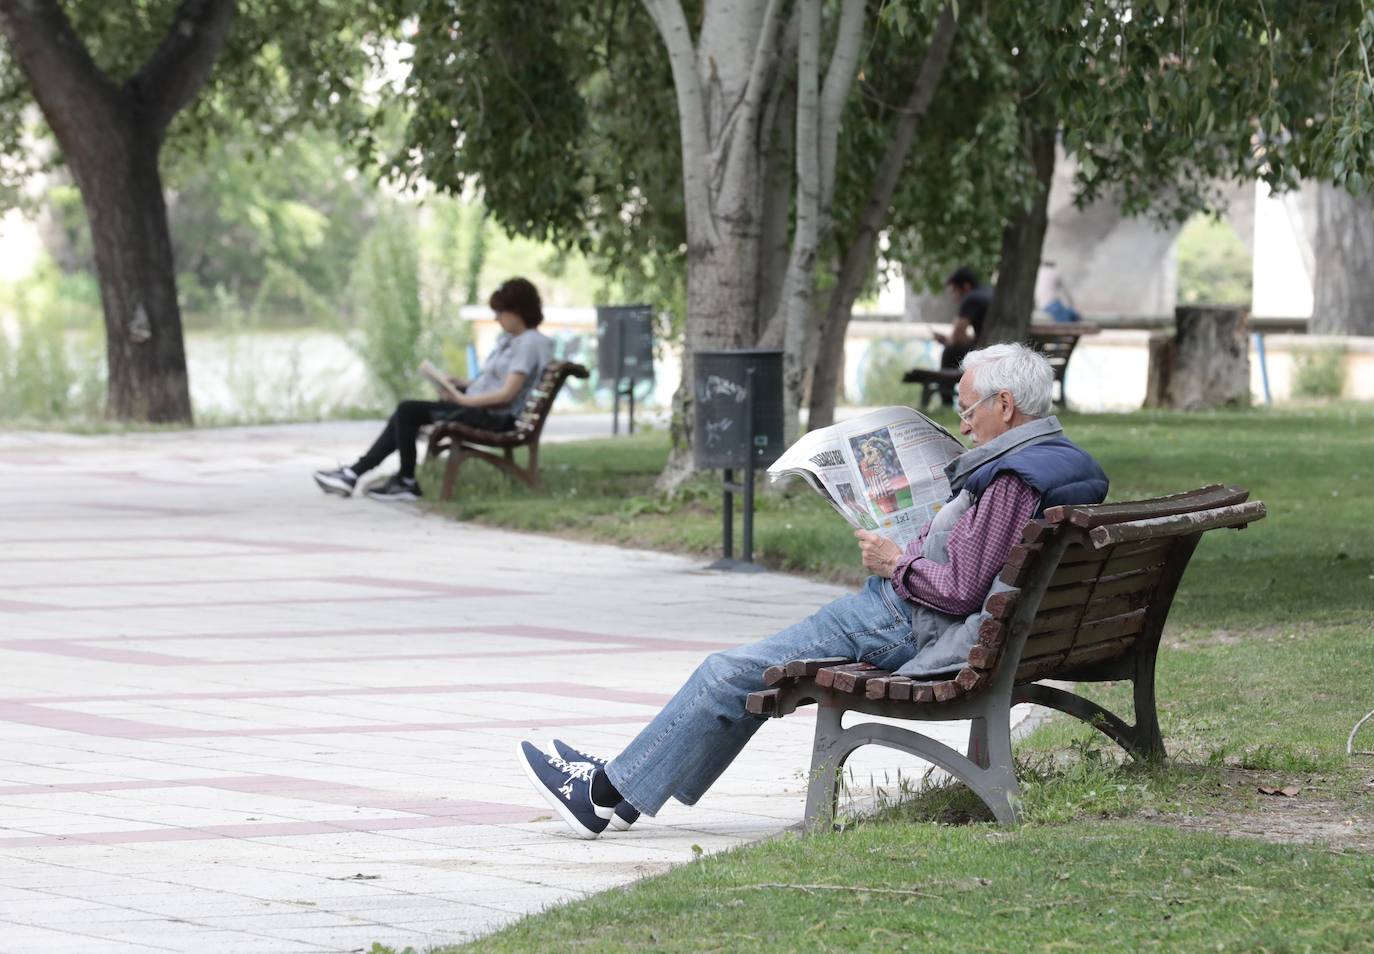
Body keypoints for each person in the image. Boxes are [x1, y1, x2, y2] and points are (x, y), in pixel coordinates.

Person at [516, 343, 1109, 838]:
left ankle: (600, 792)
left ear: (1004, 405)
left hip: (900, 620)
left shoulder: (1011, 478)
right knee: (749, 673)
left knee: (730, 670)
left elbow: (956, 591)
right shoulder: (1060, 460)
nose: (962, 423)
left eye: (967, 409)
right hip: (975, 625)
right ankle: (627, 787)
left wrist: (893, 559)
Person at [313, 278, 553, 502]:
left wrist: (461, 400)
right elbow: (499, 382)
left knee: (407, 411)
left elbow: (506, 395)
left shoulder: (528, 343)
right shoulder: (513, 341)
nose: (497, 318)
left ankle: (394, 479)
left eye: (500, 312)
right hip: (484, 411)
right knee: (406, 412)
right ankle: (358, 474)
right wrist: (459, 383)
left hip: (496, 419)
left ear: (517, 311)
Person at [935, 266, 993, 406]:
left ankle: (946, 402)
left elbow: (957, 337)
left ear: (966, 286)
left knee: (949, 351)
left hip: (986, 354)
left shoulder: (971, 298)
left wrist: (947, 340)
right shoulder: (991, 292)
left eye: (955, 291)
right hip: (999, 348)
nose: (954, 297)